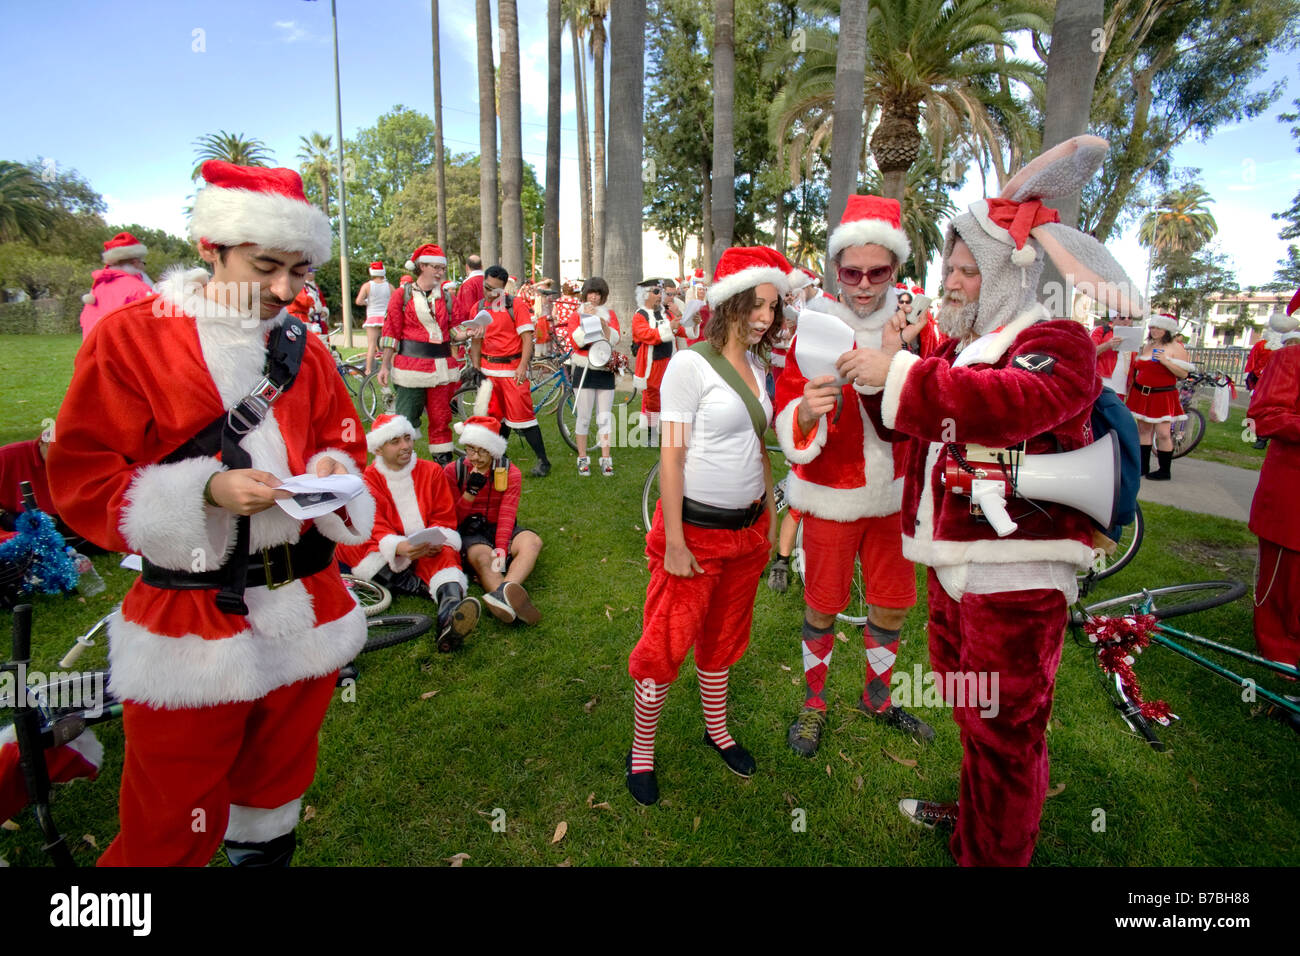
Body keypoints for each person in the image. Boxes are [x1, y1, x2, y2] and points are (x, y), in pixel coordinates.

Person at [47, 160, 377, 866]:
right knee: (170, 819)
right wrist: (203, 491)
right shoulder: (132, 338)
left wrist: (332, 470)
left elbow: (346, 445)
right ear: (212, 248)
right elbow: (81, 476)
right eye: (266, 267)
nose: (285, 292)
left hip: (306, 604)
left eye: (300, 271)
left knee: (274, 790)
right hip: (192, 619)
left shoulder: (304, 348)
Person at [839, 135, 1145, 866]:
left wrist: (904, 372)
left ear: (1013, 274)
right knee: (978, 720)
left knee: (1008, 735)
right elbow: (918, 426)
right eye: (951, 268)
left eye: (970, 270)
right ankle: (978, 816)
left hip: (1015, 579)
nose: (954, 283)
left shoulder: (1055, 339)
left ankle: (993, 849)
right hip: (954, 568)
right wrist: (879, 375)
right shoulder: (962, 347)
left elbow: (1011, 404)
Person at [625, 246, 787, 806]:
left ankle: (716, 730)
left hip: (748, 534)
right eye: (756, 304)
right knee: (665, 645)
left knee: (724, 638)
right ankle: (642, 748)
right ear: (728, 303)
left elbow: (761, 451)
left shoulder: (761, 370)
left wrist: (768, 520)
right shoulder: (690, 365)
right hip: (693, 534)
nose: (765, 317)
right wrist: (672, 540)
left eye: (772, 306)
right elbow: (671, 457)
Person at [774, 194, 927, 758]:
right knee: (823, 602)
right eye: (852, 272)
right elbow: (786, 411)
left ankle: (877, 697)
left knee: (890, 603)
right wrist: (806, 412)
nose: (863, 285)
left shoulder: (914, 329)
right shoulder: (813, 328)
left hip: (893, 496)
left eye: (877, 272)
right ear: (836, 270)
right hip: (832, 491)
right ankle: (814, 703)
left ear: (895, 270)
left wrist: (894, 365)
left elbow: (928, 412)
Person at [334, 414, 481, 651]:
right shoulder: (368, 480)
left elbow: (443, 516)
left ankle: (450, 613)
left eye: (407, 438)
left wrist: (435, 538)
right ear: (379, 449)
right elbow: (374, 524)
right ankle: (424, 589)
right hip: (387, 545)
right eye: (395, 441)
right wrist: (398, 547)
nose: (405, 446)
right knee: (349, 545)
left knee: (446, 555)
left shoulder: (432, 471)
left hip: (425, 543)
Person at [378, 243, 482, 465]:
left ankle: (443, 467)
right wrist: (385, 365)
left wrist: (470, 331)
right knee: (405, 420)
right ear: (421, 266)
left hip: (441, 368)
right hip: (410, 369)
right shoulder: (400, 295)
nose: (440, 272)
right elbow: (391, 331)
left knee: (441, 418)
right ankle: (403, 464)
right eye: (435, 267)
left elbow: (454, 330)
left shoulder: (447, 298)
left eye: (441, 268)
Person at [444, 416, 543, 624]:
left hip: (499, 526)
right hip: (470, 531)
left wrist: (501, 550)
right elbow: (453, 520)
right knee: (484, 559)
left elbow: (507, 514)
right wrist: (471, 491)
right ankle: (510, 601)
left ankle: (502, 596)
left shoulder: (510, 472)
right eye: (471, 450)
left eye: (483, 451)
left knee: (532, 542)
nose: (476, 457)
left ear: (494, 450)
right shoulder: (454, 471)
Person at [1247, 288, 1300, 670]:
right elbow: (1267, 413)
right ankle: (1280, 653)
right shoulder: (1290, 358)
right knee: (1286, 578)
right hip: (1292, 489)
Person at [467, 265, 552, 477]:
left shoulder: (515, 305)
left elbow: (526, 339)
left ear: (504, 289)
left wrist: (523, 366)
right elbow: (476, 342)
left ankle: (543, 461)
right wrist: (477, 369)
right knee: (496, 418)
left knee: (524, 417)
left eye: (495, 290)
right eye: (487, 287)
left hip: (512, 370)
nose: (489, 293)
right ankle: (498, 457)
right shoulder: (478, 308)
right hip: (489, 370)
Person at [558, 277, 621, 476]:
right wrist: (587, 322)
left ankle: (605, 458)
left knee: (604, 417)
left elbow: (615, 339)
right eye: (591, 293)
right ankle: (582, 458)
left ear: (603, 296)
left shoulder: (610, 314)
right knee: (584, 417)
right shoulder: (577, 315)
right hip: (584, 368)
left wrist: (603, 324)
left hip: (604, 369)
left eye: (598, 293)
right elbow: (576, 342)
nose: (594, 297)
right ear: (585, 294)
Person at [1125, 313, 1194, 481]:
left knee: (1163, 433)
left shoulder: (1176, 347)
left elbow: (1183, 374)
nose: (1154, 331)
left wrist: (1166, 361)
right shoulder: (1148, 345)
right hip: (1141, 392)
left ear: (1167, 330)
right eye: (1152, 327)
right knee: (1143, 430)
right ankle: (1143, 467)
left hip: (1162, 395)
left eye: (1158, 328)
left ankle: (1164, 470)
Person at [631, 278, 689, 439]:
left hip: (669, 362)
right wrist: (669, 327)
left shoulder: (666, 313)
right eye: (656, 292)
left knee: (670, 397)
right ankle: (651, 433)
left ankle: (666, 430)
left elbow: (683, 331)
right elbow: (646, 335)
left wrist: (691, 322)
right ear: (645, 295)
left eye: (660, 292)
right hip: (652, 364)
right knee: (653, 399)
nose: (660, 295)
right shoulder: (639, 316)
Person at [79, 232, 154, 338]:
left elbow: (85, 320)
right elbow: (153, 327)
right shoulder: (139, 289)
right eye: (143, 263)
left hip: (95, 349)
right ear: (135, 262)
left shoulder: (97, 288)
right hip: (123, 351)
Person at [356, 261, 393, 374]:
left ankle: (368, 369)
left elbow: (358, 301)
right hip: (386, 317)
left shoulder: (367, 286)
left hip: (372, 317)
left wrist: (367, 302)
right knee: (389, 344)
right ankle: (390, 368)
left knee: (371, 345)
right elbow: (396, 300)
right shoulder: (389, 286)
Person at [452, 254, 486, 325]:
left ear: (467, 267)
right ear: (482, 267)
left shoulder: (468, 284)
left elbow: (466, 310)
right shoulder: (489, 281)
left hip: (474, 327)